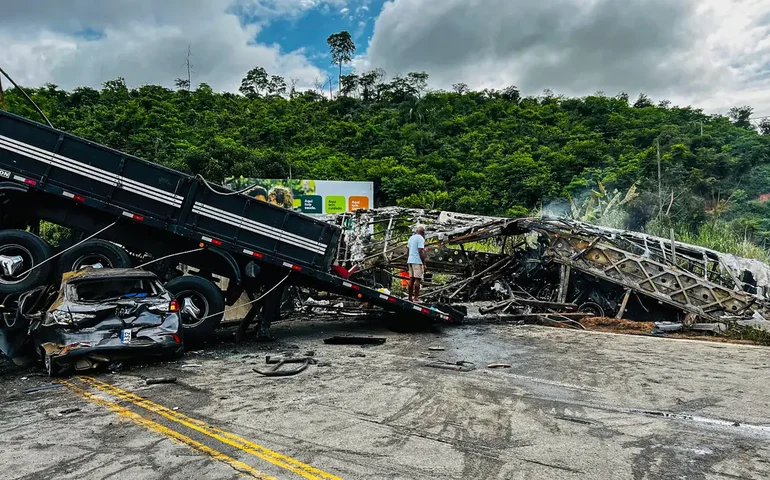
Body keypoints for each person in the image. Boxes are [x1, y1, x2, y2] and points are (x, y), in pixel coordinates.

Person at [407, 225, 426, 302]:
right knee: (418, 280)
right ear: (422, 232)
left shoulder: (411, 238)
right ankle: (416, 298)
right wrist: (424, 263)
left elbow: (408, 250)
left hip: (410, 260)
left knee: (411, 279)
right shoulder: (420, 238)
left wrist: (408, 259)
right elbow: (420, 251)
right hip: (417, 261)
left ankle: (409, 298)